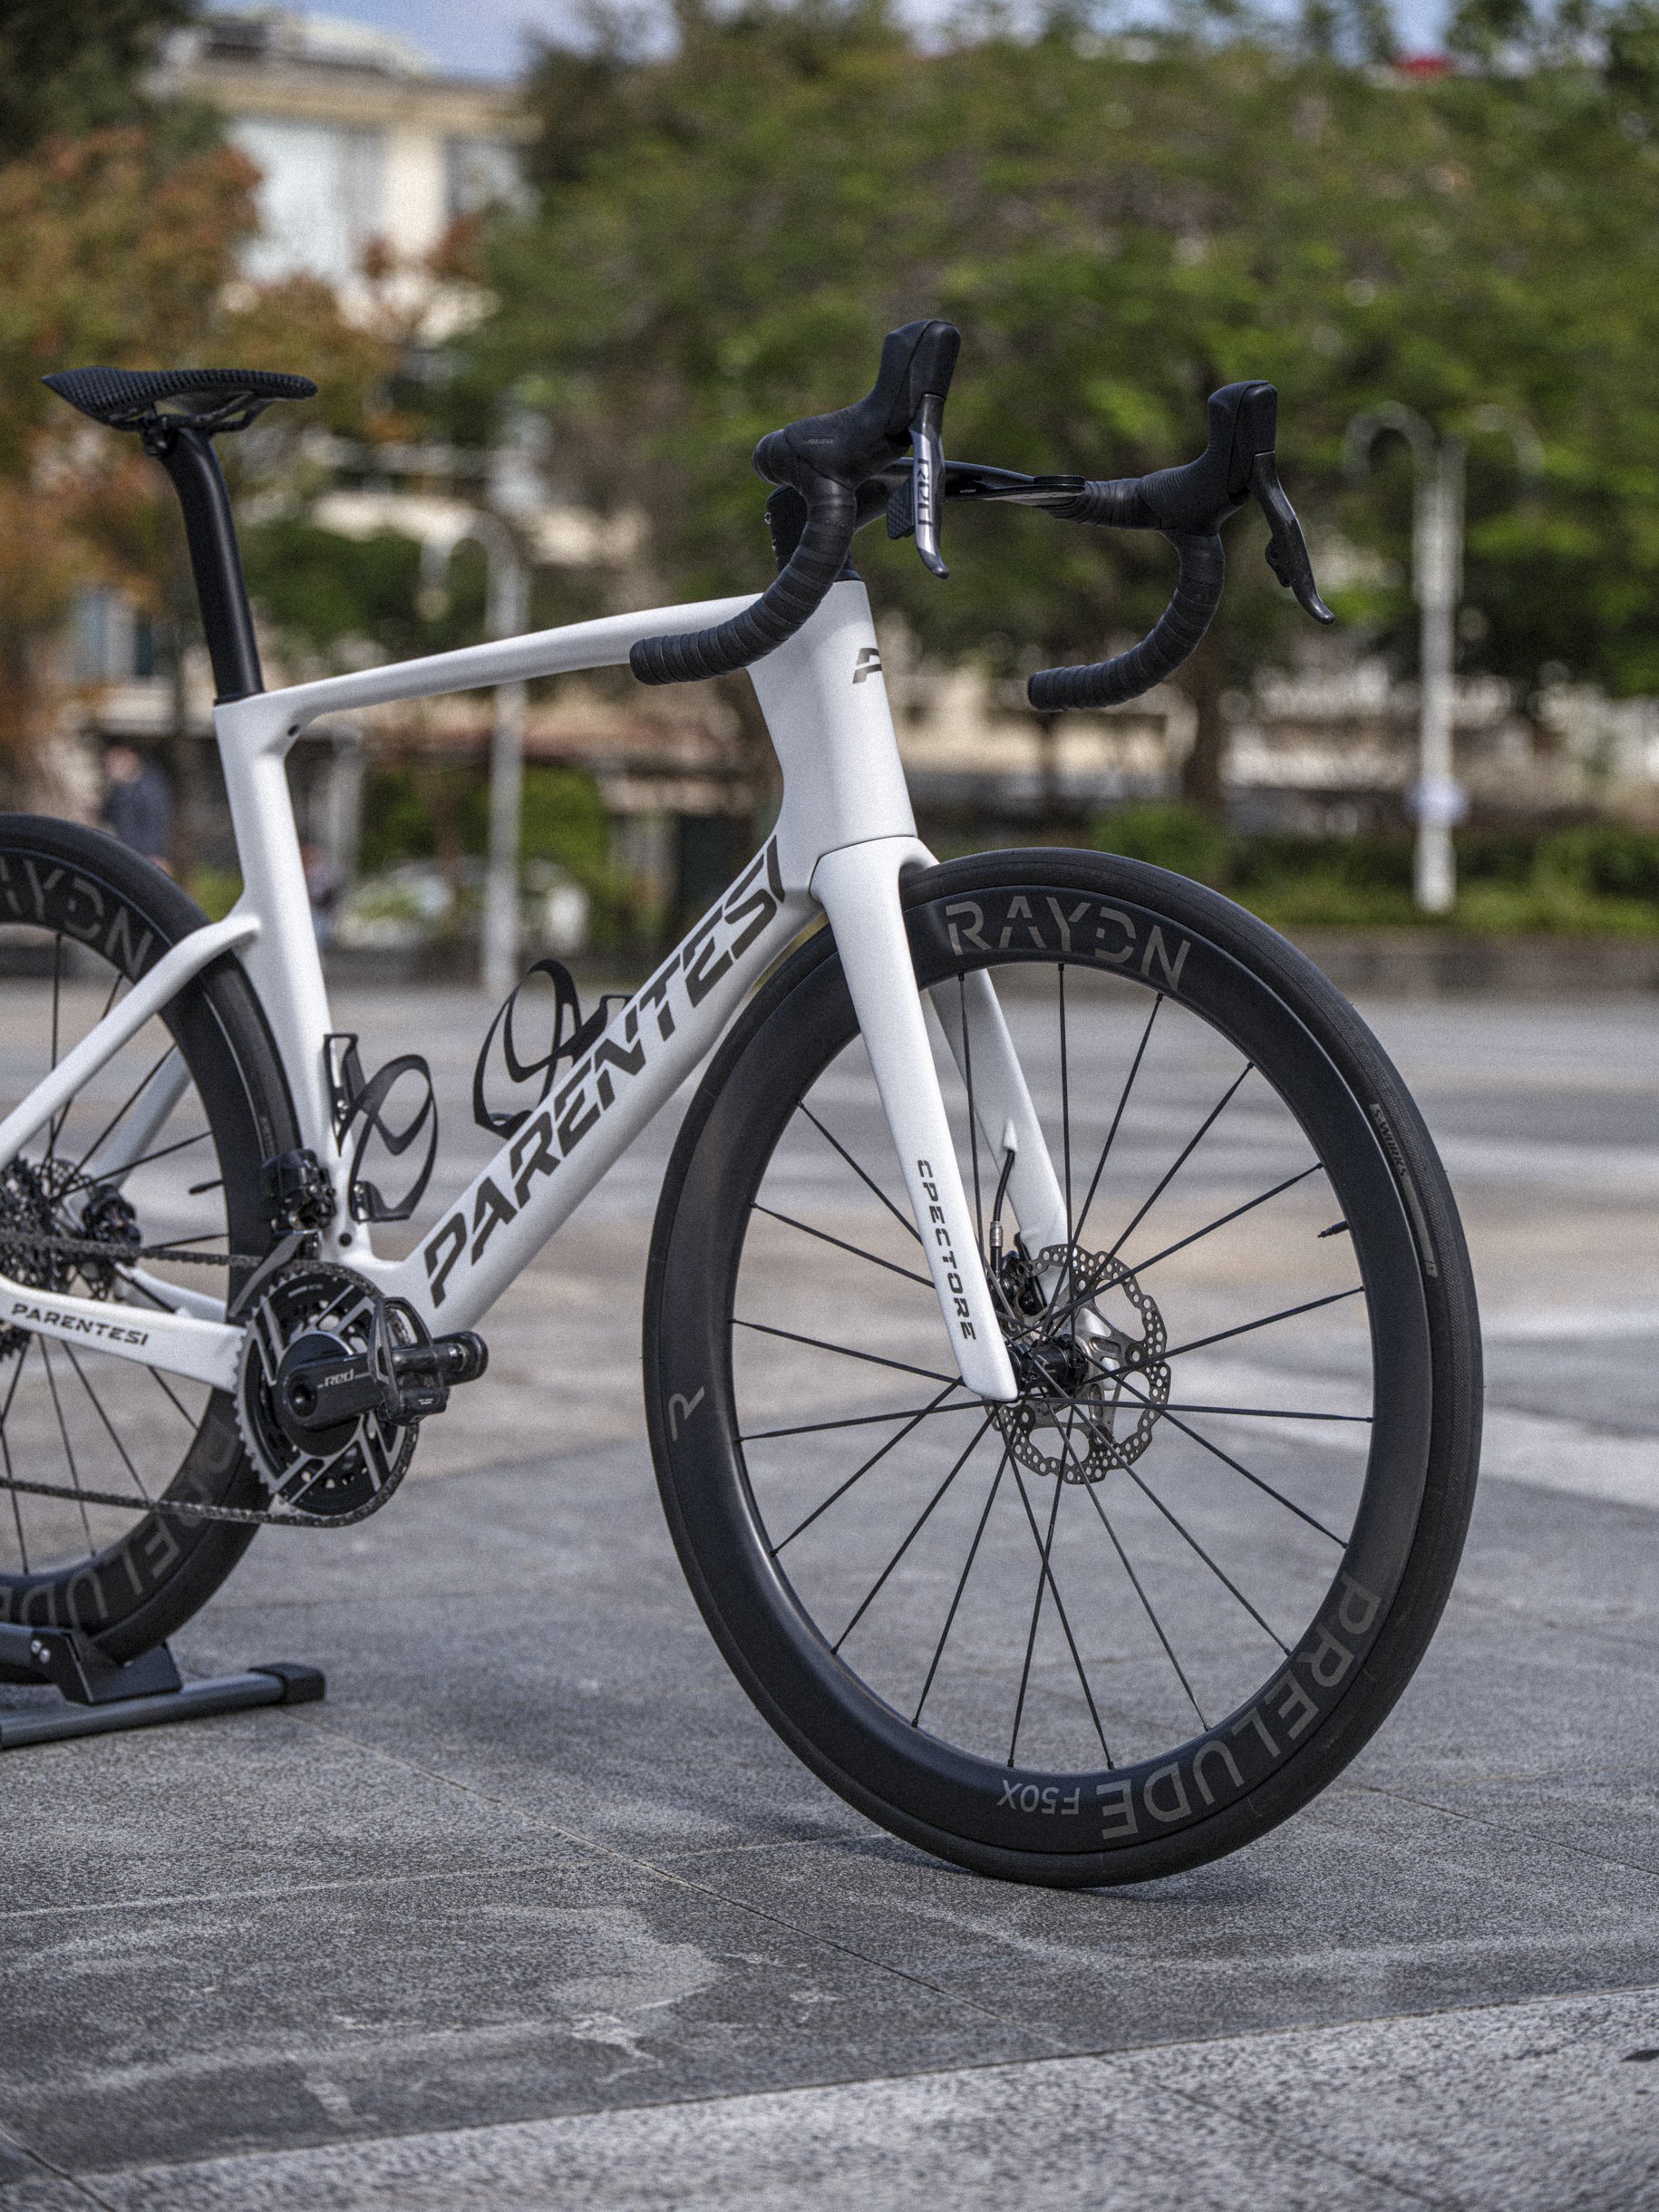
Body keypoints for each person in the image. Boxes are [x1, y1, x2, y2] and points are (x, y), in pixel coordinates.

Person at [102, 744, 174, 872]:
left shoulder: (149, 788)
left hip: (147, 858)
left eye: (115, 763)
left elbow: (155, 824)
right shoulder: (121, 791)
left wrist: (154, 855)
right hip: (128, 855)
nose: (110, 769)